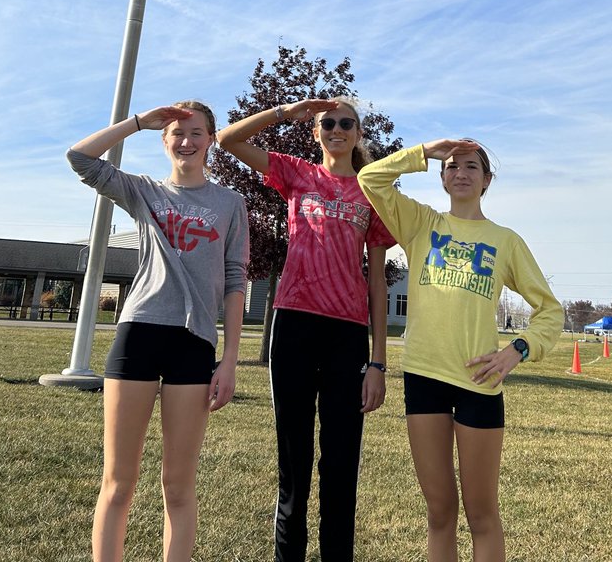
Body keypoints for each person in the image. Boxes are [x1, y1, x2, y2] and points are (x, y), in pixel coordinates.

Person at [357, 138, 563, 562]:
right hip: (424, 378)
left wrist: (518, 348)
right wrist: (426, 151)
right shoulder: (421, 223)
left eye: (471, 167)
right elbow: (371, 178)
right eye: (452, 166)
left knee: (482, 514)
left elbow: (550, 311)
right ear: (442, 177)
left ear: (487, 180)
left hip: (478, 383)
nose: (461, 173)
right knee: (439, 511)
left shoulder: (505, 240)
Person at [67, 102, 249, 562]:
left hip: (195, 343)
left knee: (179, 485)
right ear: (164, 141)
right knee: (118, 481)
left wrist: (229, 359)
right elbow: (80, 158)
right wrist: (138, 122)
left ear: (211, 139)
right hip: (140, 334)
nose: (186, 141)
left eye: (197, 132)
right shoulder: (144, 191)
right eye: (176, 133)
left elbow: (235, 280)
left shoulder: (231, 204)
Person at [216, 96, 394, 562]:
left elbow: (377, 282)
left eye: (346, 123)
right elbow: (227, 139)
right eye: (328, 123)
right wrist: (286, 112)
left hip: (347, 334)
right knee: (293, 464)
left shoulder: (372, 193)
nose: (337, 129)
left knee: (341, 464)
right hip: (294, 327)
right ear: (316, 132)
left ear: (358, 133)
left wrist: (378, 361)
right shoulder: (297, 173)